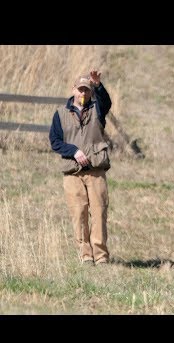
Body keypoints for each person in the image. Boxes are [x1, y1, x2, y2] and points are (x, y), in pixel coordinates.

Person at [49, 69, 112, 266]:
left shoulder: (98, 110)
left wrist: (98, 86)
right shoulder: (60, 114)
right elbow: (55, 141)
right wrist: (74, 151)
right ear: (73, 90)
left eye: (86, 90)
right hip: (72, 173)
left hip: (96, 171)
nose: (83, 94)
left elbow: (107, 103)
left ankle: (101, 256)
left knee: (99, 213)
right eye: (80, 90)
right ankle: (85, 254)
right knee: (79, 214)